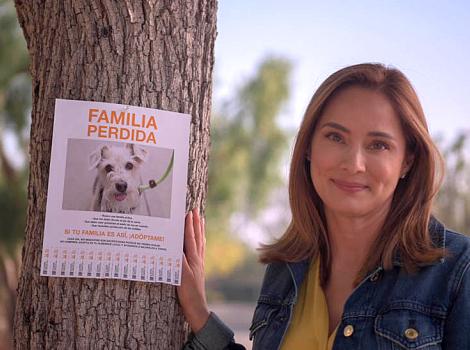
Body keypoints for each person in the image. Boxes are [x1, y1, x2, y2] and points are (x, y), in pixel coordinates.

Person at [177, 63, 470, 349]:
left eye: (378, 145)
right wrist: (201, 316)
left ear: (407, 160)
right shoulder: (286, 269)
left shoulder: (458, 272)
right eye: (335, 137)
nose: (353, 164)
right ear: (308, 147)